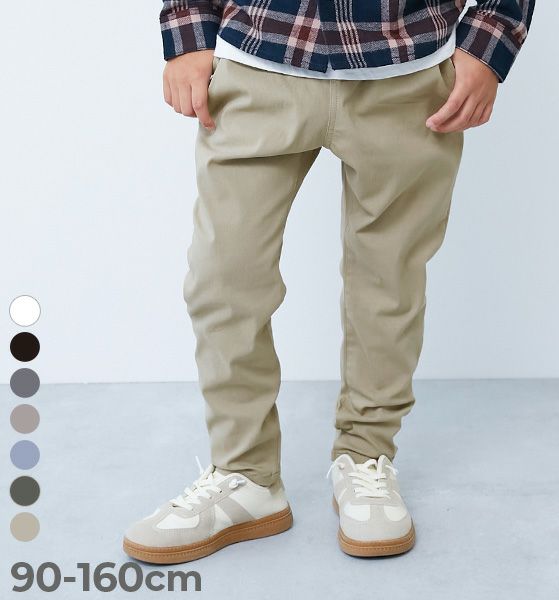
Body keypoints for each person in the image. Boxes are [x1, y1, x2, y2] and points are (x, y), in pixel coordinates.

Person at [123, 0, 534, 563]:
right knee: (223, 277)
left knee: (387, 283)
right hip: (258, 60)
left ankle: (365, 458)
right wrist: (188, 29)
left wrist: (488, 44)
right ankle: (245, 476)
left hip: (407, 70)